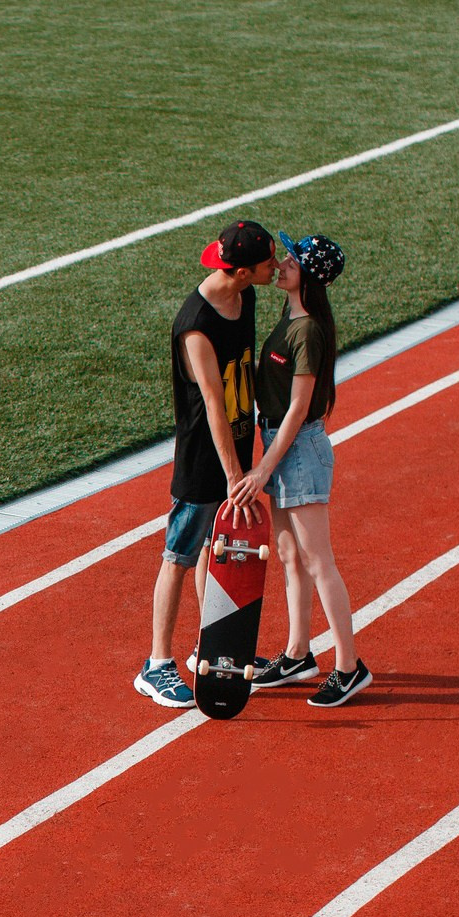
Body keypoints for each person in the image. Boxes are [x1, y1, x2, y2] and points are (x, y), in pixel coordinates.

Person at [138, 219, 278, 709]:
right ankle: (156, 664)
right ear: (240, 271)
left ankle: (211, 647)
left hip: (234, 451)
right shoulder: (195, 324)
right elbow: (214, 405)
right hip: (203, 462)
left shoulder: (246, 299)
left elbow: (246, 372)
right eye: (267, 263)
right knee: (178, 556)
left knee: (215, 553)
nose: (275, 267)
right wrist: (236, 475)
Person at [243, 231, 372, 708]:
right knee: (290, 557)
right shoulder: (290, 315)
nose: (281, 265)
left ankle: (349, 666)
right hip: (278, 441)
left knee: (320, 562)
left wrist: (262, 470)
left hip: (296, 448)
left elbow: (298, 410)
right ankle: (299, 654)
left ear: (309, 276)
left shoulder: (308, 331)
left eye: (291, 262)